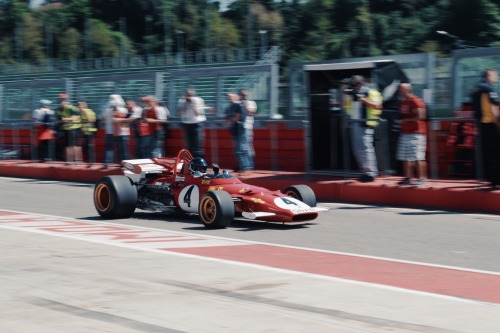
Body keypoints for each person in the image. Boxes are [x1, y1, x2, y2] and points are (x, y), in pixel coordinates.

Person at [344, 75, 383, 182]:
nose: (353, 87)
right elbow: (346, 107)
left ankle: (371, 173)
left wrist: (363, 99)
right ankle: (365, 172)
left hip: (365, 123)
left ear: (360, 84)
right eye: (352, 85)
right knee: (358, 149)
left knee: (366, 149)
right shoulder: (353, 93)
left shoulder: (371, 92)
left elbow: (378, 106)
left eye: (354, 85)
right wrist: (348, 96)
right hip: (355, 123)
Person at [471, 68, 500, 187]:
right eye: (495, 75)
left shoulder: (476, 89)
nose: (497, 77)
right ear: (488, 77)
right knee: (496, 153)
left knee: (487, 153)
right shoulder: (488, 89)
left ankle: (491, 179)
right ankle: (497, 181)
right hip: (490, 124)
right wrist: (498, 124)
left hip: (481, 125)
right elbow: (493, 108)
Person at [396, 83, 428, 186]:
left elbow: (421, 116)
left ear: (407, 90)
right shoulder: (402, 103)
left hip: (416, 133)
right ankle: (408, 178)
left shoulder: (415, 101)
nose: (399, 91)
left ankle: (422, 178)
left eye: (401, 90)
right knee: (406, 157)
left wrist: (405, 120)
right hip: (405, 132)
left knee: (418, 156)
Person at [225, 92, 250, 174]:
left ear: (236, 97)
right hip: (235, 130)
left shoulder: (239, 105)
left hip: (240, 129)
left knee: (241, 150)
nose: (229, 98)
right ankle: (241, 167)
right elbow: (227, 117)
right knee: (237, 150)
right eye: (228, 97)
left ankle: (245, 167)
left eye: (231, 97)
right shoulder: (231, 106)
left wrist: (231, 120)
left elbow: (238, 116)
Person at [101, 94, 129, 168]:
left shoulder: (106, 109)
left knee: (109, 148)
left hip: (109, 131)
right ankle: (124, 163)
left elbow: (103, 119)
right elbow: (126, 120)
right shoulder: (124, 109)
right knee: (122, 148)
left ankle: (107, 163)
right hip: (121, 132)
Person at [178, 89, 207, 158]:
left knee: (197, 145)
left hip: (197, 123)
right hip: (187, 124)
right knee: (189, 145)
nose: (189, 95)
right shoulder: (182, 101)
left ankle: (199, 164)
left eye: (190, 93)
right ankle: (190, 163)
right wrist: (184, 104)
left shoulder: (198, 100)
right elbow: (180, 113)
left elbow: (198, 113)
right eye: (187, 93)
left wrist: (192, 104)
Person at [56, 93, 82, 164]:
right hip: (66, 129)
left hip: (74, 128)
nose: (61, 102)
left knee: (73, 144)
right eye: (60, 101)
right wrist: (62, 120)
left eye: (63, 100)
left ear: (66, 101)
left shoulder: (72, 108)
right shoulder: (59, 109)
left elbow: (74, 118)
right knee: (68, 144)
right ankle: (69, 159)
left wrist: (64, 119)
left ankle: (78, 159)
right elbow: (58, 119)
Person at [239, 89, 257, 170]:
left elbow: (251, 112)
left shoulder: (251, 103)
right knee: (240, 148)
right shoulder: (238, 103)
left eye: (244, 95)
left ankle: (249, 166)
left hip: (247, 127)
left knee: (247, 147)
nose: (243, 97)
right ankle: (243, 165)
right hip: (239, 127)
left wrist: (245, 105)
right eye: (242, 95)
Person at [78, 101, 97, 165]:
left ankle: (91, 161)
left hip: (88, 131)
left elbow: (89, 120)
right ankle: (91, 161)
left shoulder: (84, 111)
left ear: (84, 105)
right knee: (88, 146)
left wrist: (80, 121)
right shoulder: (90, 111)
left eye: (79, 105)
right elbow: (93, 119)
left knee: (88, 146)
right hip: (89, 130)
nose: (78, 106)